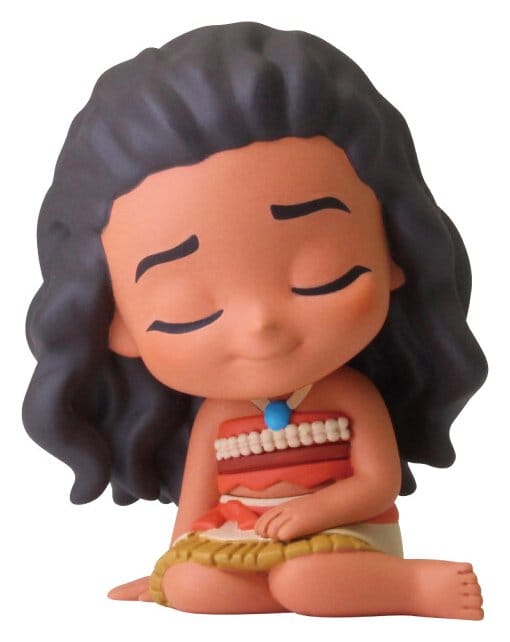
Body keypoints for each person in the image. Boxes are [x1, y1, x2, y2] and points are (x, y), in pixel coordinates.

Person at [23, 22, 487, 618]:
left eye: (320, 272)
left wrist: (314, 511)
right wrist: (168, 568)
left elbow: (377, 482)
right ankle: (271, 586)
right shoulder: (218, 418)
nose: (260, 323)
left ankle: (417, 586)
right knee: (195, 588)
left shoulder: (348, 395)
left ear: (394, 248)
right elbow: (195, 506)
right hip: (241, 537)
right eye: (189, 307)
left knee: (309, 581)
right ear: (119, 325)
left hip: (345, 535)